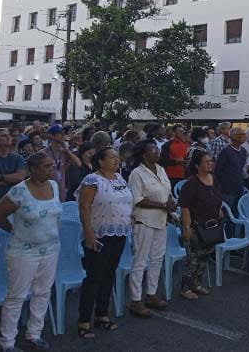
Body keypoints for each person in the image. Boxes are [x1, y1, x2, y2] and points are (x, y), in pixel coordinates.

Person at [0, 152, 61, 351]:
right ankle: (7, 343)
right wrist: (14, 230)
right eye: (47, 166)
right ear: (33, 169)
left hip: (51, 249)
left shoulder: (54, 185)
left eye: (52, 165)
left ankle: (34, 334)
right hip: (23, 252)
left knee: (43, 292)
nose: (52, 169)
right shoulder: (19, 191)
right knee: (16, 297)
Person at [77, 147, 133, 339]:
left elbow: (126, 201)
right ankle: (84, 319)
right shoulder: (92, 180)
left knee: (108, 274)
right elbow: (84, 207)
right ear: (100, 161)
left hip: (119, 234)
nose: (117, 160)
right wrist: (89, 234)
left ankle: (102, 314)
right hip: (99, 235)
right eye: (112, 157)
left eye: (118, 157)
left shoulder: (119, 178)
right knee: (94, 276)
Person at [127, 141, 174, 318]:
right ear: (144, 154)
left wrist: (169, 202)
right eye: (152, 150)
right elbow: (137, 199)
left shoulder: (160, 169)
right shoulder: (136, 174)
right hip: (144, 221)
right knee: (140, 261)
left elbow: (166, 189)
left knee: (156, 259)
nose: (157, 152)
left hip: (161, 220)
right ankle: (135, 299)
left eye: (157, 149)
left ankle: (151, 294)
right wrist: (162, 204)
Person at [178, 151, 222, 300]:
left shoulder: (214, 179)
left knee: (204, 257)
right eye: (206, 162)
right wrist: (187, 228)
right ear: (197, 165)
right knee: (193, 259)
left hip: (211, 226)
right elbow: (184, 207)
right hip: (196, 226)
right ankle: (185, 288)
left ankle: (196, 284)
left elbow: (217, 198)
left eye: (211, 161)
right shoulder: (191, 184)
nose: (210, 164)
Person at [43, 124, 82, 202]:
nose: (63, 135)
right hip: (47, 189)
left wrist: (67, 149)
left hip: (62, 190)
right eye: (60, 133)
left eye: (63, 133)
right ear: (51, 135)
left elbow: (79, 163)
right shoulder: (44, 153)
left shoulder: (64, 152)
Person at [215, 127, 248, 209]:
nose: (245, 136)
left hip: (239, 187)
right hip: (227, 190)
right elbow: (217, 171)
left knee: (238, 212)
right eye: (242, 134)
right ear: (234, 137)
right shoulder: (225, 152)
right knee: (227, 213)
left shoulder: (243, 151)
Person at [0, 128, 28, 199]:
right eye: (4, 136)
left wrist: (0, 177)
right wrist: (12, 180)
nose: (8, 137)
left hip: (14, 201)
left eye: (9, 135)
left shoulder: (18, 158)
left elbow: (20, 177)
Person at [160, 124, 188, 189]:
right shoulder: (167, 145)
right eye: (180, 131)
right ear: (174, 132)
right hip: (171, 175)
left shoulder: (185, 144)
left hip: (183, 174)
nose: (182, 133)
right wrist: (175, 161)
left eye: (183, 131)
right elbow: (163, 160)